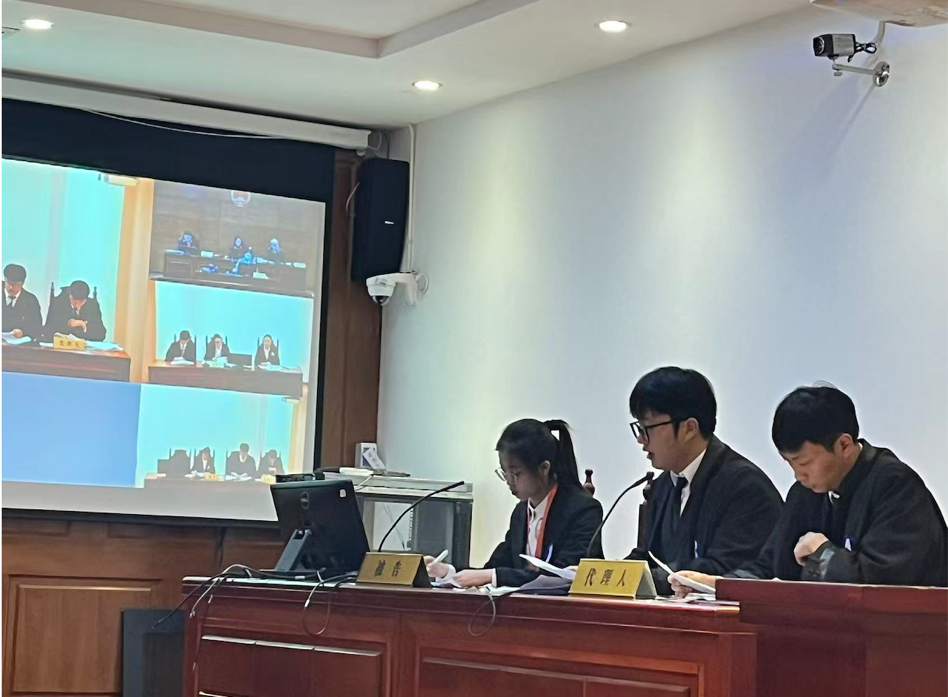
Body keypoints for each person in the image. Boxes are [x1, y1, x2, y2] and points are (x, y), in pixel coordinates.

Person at [672, 386, 948, 594]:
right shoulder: (804, 493)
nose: (798, 474)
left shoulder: (895, 486)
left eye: (804, 463)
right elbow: (770, 567)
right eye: (790, 464)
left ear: (844, 445)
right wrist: (719, 585)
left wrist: (822, 553)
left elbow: (884, 583)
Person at [625, 367, 782, 595]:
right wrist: (597, 574)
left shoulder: (746, 487)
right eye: (639, 427)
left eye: (648, 428)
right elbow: (647, 556)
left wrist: (643, 579)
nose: (641, 439)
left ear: (690, 428)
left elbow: (725, 570)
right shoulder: (663, 485)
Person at [426, 419, 604, 588]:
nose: (509, 481)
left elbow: (563, 577)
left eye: (515, 474)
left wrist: (493, 576)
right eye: (504, 473)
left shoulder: (584, 510)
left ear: (544, 468)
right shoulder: (521, 512)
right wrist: (448, 572)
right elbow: (495, 566)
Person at [2, 263, 43, 340]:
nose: (10, 287)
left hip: (19, 343)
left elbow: (37, 327)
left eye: (15, 285)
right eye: (8, 283)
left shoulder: (31, 300)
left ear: (22, 284)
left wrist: (23, 332)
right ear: (5, 279)